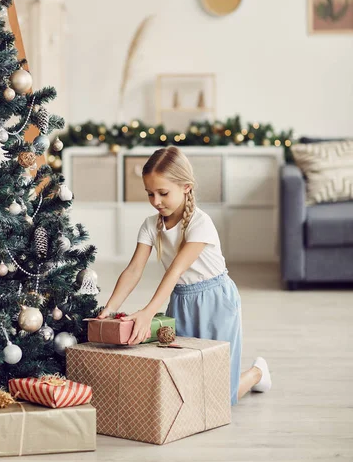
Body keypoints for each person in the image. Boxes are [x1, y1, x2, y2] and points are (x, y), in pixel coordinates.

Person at [98, 146, 271, 405]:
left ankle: (257, 372)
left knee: (221, 397)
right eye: (150, 194)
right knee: (186, 381)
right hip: (180, 301)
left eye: (163, 193)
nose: (156, 201)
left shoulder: (201, 224)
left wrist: (147, 312)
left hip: (216, 302)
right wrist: (110, 308)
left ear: (186, 187)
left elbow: (175, 269)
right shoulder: (149, 225)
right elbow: (134, 270)